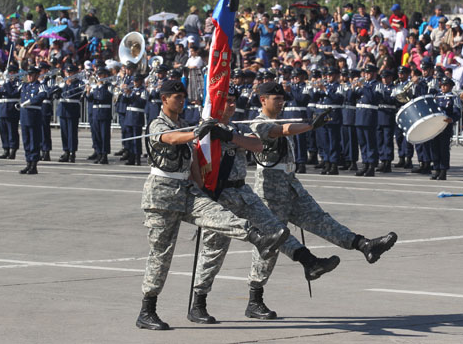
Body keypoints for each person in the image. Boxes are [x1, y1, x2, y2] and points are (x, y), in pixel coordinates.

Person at [136, 80, 290, 331]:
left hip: (187, 191)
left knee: (218, 214)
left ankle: (257, 237)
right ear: (164, 99)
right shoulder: (159, 123)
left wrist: (202, 188)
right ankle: (147, 310)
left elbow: (193, 161)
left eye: (184, 96)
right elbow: (172, 139)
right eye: (177, 96)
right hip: (161, 195)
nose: (181, 100)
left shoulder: (181, 123)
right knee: (161, 255)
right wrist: (197, 132)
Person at [245, 81, 397, 318]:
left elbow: (286, 129)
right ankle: (255, 299)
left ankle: (364, 245)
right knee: (270, 245)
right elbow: (279, 131)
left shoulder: (283, 121)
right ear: (262, 100)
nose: (281, 101)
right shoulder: (257, 123)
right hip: (270, 194)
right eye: (276, 98)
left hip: (292, 188)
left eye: (283, 98)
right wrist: (309, 126)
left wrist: (306, 126)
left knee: (322, 220)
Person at [188, 87, 340, 324]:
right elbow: (195, 161)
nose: (230, 106)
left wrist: (227, 135)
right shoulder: (205, 132)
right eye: (225, 102)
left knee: (276, 230)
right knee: (213, 252)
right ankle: (198, 304)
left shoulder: (235, 129)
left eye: (232, 102)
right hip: (219, 196)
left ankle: (306, 264)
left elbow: (256, 145)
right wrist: (207, 133)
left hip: (242, 192)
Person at [13, 67, 47, 175]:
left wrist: (30, 101)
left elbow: (43, 95)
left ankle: (34, 165)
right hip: (24, 116)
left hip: (34, 116)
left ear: (37, 75)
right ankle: (28, 162)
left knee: (34, 141)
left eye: (31, 75)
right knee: (26, 141)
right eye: (28, 75)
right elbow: (12, 92)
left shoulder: (39, 86)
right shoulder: (24, 86)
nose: (29, 77)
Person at [351, 64, 382, 176]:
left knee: (370, 142)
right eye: (365, 73)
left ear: (374, 74)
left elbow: (372, 98)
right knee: (362, 143)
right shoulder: (363, 85)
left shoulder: (377, 85)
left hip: (369, 116)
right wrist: (353, 88)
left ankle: (371, 165)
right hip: (359, 116)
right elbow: (350, 98)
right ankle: (365, 163)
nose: (366, 75)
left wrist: (363, 87)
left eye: (369, 73)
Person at [430, 77, 461, 180]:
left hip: (445, 126)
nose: (443, 87)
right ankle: (436, 169)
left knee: (443, 149)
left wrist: (451, 119)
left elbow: (457, 113)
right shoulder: (437, 96)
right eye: (442, 85)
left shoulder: (454, 98)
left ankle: (443, 170)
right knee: (434, 148)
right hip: (435, 126)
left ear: (451, 87)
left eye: (445, 85)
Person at [55, 64, 84, 163]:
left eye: (71, 73)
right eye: (68, 73)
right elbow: (57, 94)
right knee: (64, 132)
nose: (69, 74)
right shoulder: (62, 83)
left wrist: (70, 84)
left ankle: (72, 152)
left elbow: (78, 94)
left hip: (72, 109)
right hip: (63, 109)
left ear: (76, 73)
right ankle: (66, 151)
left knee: (72, 133)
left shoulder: (79, 83)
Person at [0, 64, 20, 160]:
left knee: (12, 130)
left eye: (11, 72)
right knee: (3, 131)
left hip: (11, 108)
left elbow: (13, 93)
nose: (9, 74)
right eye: (9, 73)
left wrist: (6, 83)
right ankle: (6, 149)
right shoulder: (3, 82)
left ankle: (13, 150)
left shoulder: (17, 83)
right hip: (2, 108)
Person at [86, 68, 113, 164]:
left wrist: (100, 86)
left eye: (102, 75)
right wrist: (88, 92)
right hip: (95, 114)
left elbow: (104, 97)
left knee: (104, 135)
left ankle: (104, 155)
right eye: (99, 75)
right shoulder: (96, 87)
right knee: (96, 135)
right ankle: (98, 153)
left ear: (106, 76)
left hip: (104, 114)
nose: (99, 77)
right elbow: (90, 99)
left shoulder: (108, 86)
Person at [122, 73, 146, 166]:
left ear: (140, 81)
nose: (134, 83)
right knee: (129, 139)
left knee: (136, 139)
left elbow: (142, 102)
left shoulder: (143, 91)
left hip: (137, 117)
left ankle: (137, 158)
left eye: (136, 81)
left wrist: (131, 94)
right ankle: (131, 157)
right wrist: (125, 93)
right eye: (134, 81)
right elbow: (124, 101)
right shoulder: (131, 90)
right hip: (129, 116)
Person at [376, 69, 397, 173]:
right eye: (383, 78)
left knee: (387, 140)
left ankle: (388, 161)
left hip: (388, 115)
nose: (384, 80)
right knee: (379, 140)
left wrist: (383, 95)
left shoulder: (394, 88)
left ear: (390, 78)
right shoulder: (379, 87)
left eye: (386, 77)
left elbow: (393, 100)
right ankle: (382, 159)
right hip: (379, 115)